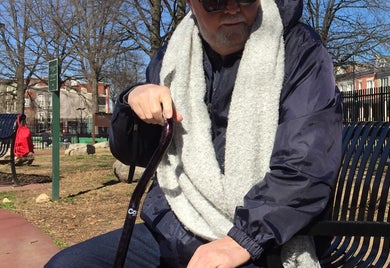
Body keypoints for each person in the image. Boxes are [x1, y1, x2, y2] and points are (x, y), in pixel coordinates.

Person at [46, 0, 343, 267]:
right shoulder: (173, 57)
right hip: (173, 222)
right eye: (215, 1)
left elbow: (305, 165)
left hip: (262, 238)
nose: (232, 8)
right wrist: (131, 105)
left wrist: (243, 239)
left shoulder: (299, 50)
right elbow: (136, 153)